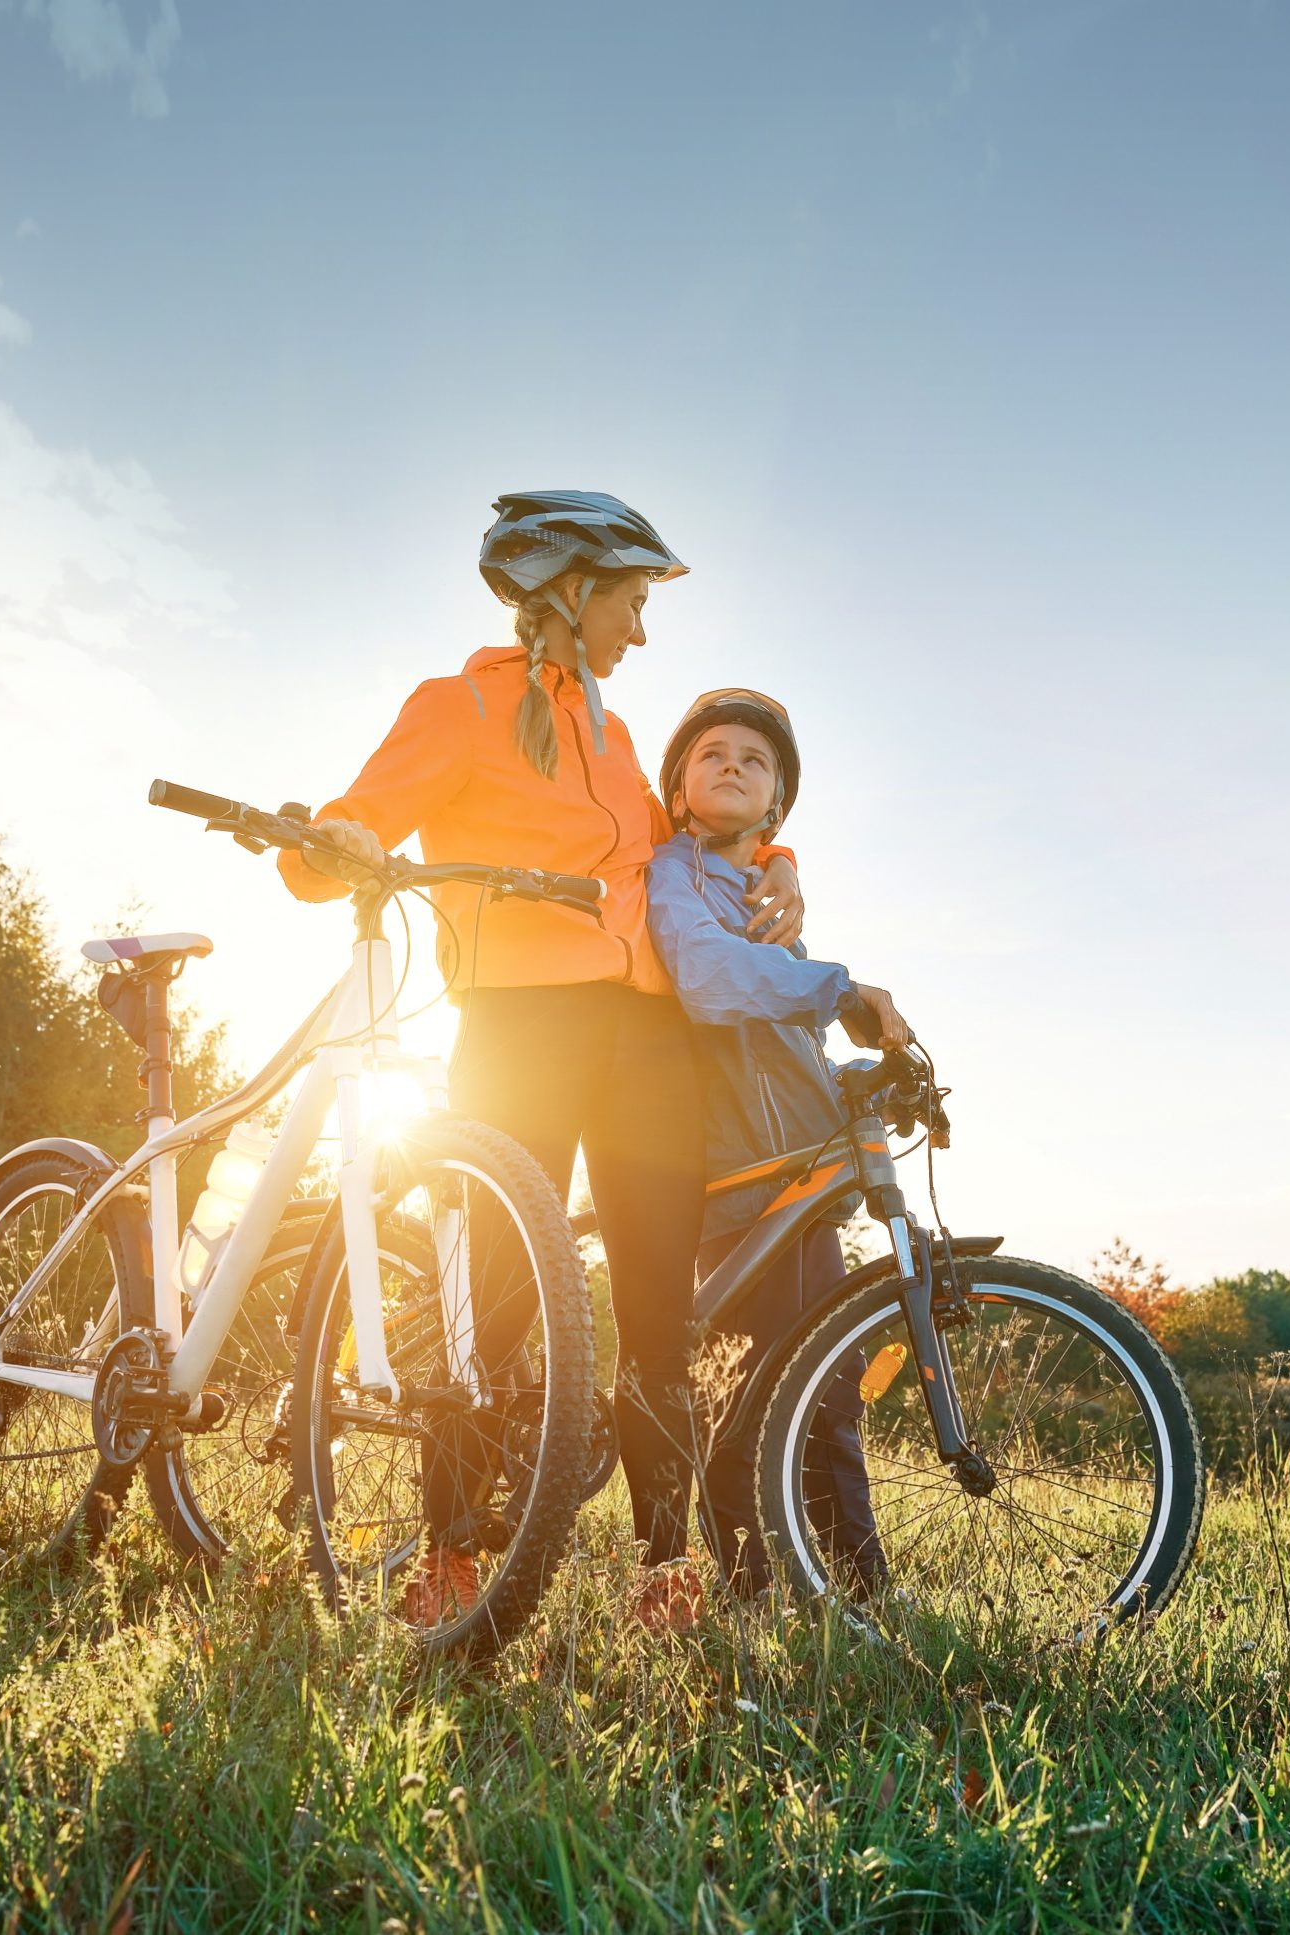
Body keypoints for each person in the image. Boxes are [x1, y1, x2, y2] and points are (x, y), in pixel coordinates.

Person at [277, 491, 803, 1634]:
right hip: (520, 1023)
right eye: (629, 603)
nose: (641, 634)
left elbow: (690, 841)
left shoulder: (616, 741)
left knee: (658, 1315)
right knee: (494, 1314)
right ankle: (453, 1555)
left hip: (647, 1042)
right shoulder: (459, 705)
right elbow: (347, 828)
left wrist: (784, 862)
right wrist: (345, 843)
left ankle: (663, 1574)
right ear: (569, 592)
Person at [646, 689, 902, 1596]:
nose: (731, 765)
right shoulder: (670, 873)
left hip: (804, 1176)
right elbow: (713, 981)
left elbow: (790, 1046)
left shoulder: (771, 894)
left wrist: (855, 1081)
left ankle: (858, 1585)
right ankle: (747, 1585)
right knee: (744, 1389)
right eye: (711, 751)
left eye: (755, 761)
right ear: (678, 784)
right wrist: (838, 987)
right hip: (730, 1174)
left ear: (776, 806)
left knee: (829, 1387)